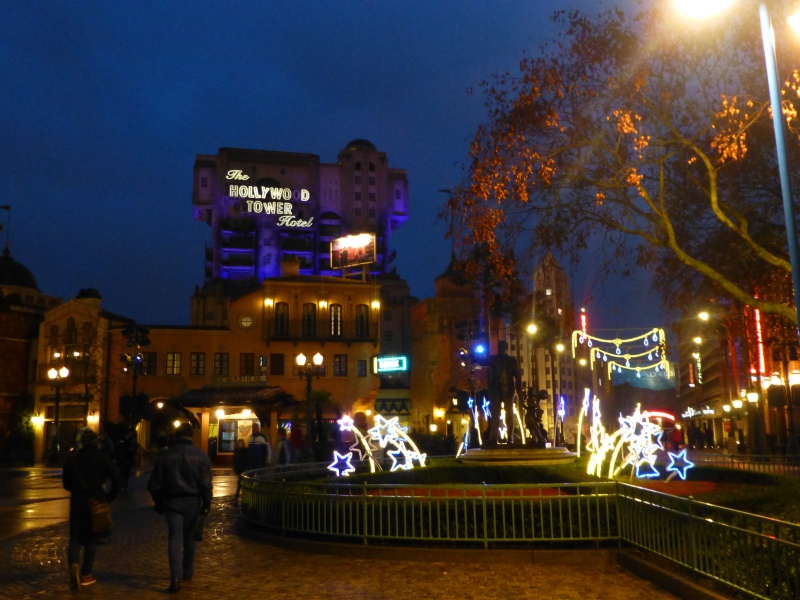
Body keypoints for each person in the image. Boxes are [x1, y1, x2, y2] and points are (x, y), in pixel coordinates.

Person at [147, 423, 212, 593]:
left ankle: (174, 577)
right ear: (191, 436)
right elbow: (206, 484)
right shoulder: (201, 456)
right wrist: (206, 502)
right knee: (189, 538)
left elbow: (154, 484)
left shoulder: (166, 455)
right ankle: (187, 572)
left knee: (174, 538)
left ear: (176, 436)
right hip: (192, 501)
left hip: (172, 501)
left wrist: (159, 501)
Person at [62, 427, 121, 592]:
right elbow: (117, 480)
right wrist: (109, 496)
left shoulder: (71, 460)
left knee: (74, 537)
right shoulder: (103, 459)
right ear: (96, 443)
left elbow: (66, 484)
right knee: (91, 538)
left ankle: (74, 563)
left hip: (78, 501)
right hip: (96, 502)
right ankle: (86, 574)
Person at [486, 341, 522, 446]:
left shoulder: (512, 360)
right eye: (500, 346)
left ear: (506, 348)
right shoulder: (493, 359)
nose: (502, 348)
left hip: (508, 390)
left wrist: (519, 390)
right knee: (495, 414)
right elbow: (484, 363)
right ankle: (493, 438)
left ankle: (510, 438)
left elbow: (518, 376)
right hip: (496, 390)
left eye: (504, 347)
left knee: (509, 415)